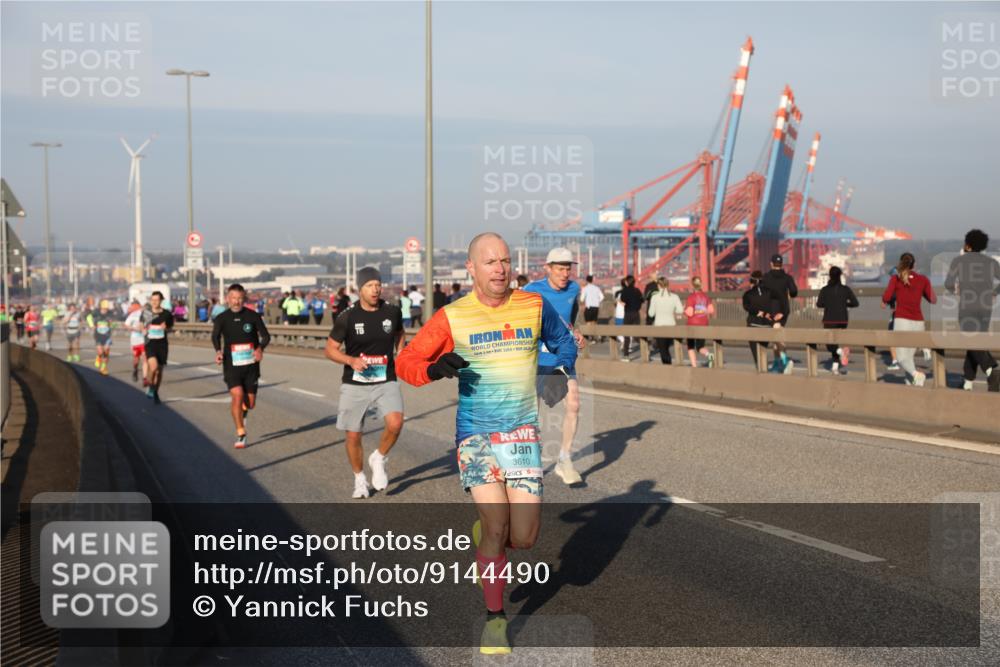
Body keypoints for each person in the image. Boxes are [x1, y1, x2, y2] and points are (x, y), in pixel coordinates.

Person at [396, 232, 577, 655]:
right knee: (497, 527)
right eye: (490, 261)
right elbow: (406, 361)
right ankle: (496, 621)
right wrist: (436, 368)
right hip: (476, 436)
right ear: (471, 269)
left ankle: (488, 543)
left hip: (520, 434)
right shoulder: (452, 316)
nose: (500, 268)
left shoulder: (533, 305)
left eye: (505, 261)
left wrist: (549, 368)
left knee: (526, 538)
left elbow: (564, 342)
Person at [325, 267, 405, 498]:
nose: (375, 289)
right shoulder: (347, 317)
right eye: (370, 285)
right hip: (355, 382)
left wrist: (400, 351)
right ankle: (359, 479)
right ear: (360, 289)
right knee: (353, 434)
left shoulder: (392, 312)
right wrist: (350, 360)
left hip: (385, 378)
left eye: (378, 285)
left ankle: (378, 457)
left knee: (396, 422)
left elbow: (400, 333)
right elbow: (330, 350)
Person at [523, 247, 586, 486]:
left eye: (568, 268)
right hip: (537, 357)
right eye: (560, 268)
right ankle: (527, 458)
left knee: (574, 403)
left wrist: (577, 332)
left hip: (563, 356)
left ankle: (564, 459)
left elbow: (570, 320)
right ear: (547, 268)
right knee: (532, 413)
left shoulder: (574, 289)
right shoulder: (531, 290)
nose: (565, 273)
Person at [212, 283, 271, 448]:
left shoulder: (253, 316)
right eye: (233, 298)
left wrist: (260, 349)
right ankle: (241, 433)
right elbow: (215, 337)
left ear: (243, 299)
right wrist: (218, 351)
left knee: (250, 403)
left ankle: (244, 409)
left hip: (251, 366)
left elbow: (266, 336)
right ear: (228, 299)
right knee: (237, 395)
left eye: (239, 298)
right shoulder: (222, 318)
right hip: (232, 365)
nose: (236, 302)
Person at [945, 228, 1000, 392]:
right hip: (986, 308)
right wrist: (995, 292)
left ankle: (991, 370)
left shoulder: (958, 261)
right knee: (976, 343)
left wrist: (957, 290)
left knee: (971, 341)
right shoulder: (991, 262)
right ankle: (968, 381)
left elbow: (948, 284)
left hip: (967, 307)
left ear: (968, 245)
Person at [882, 253, 936, 387]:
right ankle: (913, 386)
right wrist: (921, 290)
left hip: (902, 321)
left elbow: (887, 297)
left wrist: (885, 300)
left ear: (901, 264)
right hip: (918, 323)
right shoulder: (923, 279)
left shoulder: (896, 278)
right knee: (909, 357)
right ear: (914, 265)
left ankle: (916, 374)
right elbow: (933, 300)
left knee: (900, 357)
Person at [816, 266, 859, 374]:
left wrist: (829, 304)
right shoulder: (846, 289)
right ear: (840, 275)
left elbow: (819, 304)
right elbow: (855, 303)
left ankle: (840, 352)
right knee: (835, 343)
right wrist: (845, 303)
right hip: (843, 320)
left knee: (830, 344)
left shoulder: (825, 290)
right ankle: (835, 367)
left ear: (830, 276)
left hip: (829, 320)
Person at [760, 253, 798, 373]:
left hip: (771, 311)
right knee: (776, 336)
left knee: (778, 336)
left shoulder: (765, 278)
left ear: (771, 264)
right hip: (784, 311)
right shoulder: (787, 278)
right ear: (781, 264)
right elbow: (794, 292)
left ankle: (786, 361)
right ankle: (777, 362)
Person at [742, 270, 783, 367]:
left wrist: (757, 312)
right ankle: (764, 367)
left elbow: (747, 307)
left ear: (752, 281)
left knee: (756, 353)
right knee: (763, 348)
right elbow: (779, 300)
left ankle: (760, 367)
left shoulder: (747, 294)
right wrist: (779, 313)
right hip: (767, 325)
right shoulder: (770, 292)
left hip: (753, 325)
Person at [144, 291, 175, 404]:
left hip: (162, 345)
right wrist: (143, 329)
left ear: (161, 301)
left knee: (159, 372)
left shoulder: (167, 314)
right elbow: (140, 326)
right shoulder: (146, 313)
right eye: (152, 300)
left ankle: (155, 391)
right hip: (150, 344)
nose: (154, 302)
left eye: (157, 300)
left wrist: (166, 328)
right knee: (153, 368)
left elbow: (171, 328)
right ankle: (151, 386)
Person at [647, 277, 684, 364]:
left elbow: (651, 314)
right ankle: (668, 367)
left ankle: (667, 368)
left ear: (658, 285)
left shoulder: (655, 297)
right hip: (671, 325)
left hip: (659, 326)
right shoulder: (675, 297)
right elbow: (680, 310)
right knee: (666, 348)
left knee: (663, 350)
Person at [683, 276, 715, 367]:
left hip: (692, 325)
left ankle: (694, 366)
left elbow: (689, 313)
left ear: (692, 286)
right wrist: (702, 311)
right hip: (703, 324)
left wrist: (684, 310)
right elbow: (711, 310)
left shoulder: (691, 297)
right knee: (700, 346)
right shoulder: (706, 297)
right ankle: (709, 355)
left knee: (690, 346)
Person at [618, 275, 643, 361]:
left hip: (628, 313)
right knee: (638, 334)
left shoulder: (625, 290)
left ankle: (626, 355)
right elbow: (642, 300)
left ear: (627, 282)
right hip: (636, 313)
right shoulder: (637, 290)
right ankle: (645, 349)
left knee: (627, 334)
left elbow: (622, 300)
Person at [124, 304, 148, 383]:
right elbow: (126, 325)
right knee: (136, 358)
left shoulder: (150, 315)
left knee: (144, 358)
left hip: (145, 340)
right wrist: (134, 328)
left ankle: (145, 378)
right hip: (135, 339)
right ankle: (135, 369)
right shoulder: (134, 314)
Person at [90, 305, 114, 375]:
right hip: (98, 336)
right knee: (100, 352)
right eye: (103, 309)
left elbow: (112, 324)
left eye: (106, 309)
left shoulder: (109, 315)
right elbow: (88, 317)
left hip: (107, 336)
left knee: (106, 351)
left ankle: (104, 368)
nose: (105, 310)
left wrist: (112, 325)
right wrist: (92, 325)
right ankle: (98, 357)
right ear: (101, 309)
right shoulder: (96, 315)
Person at [579, 274, 603, 342]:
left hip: (589, 307)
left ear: (587, 280)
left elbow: (581, 299)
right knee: (594, 322)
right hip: (596, 307)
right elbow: (602, 297)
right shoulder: (597, 288)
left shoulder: (585, 288)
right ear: (592, 280)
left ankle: (591, 337)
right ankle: (598, 336)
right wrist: (597, 302)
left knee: (588, 322)